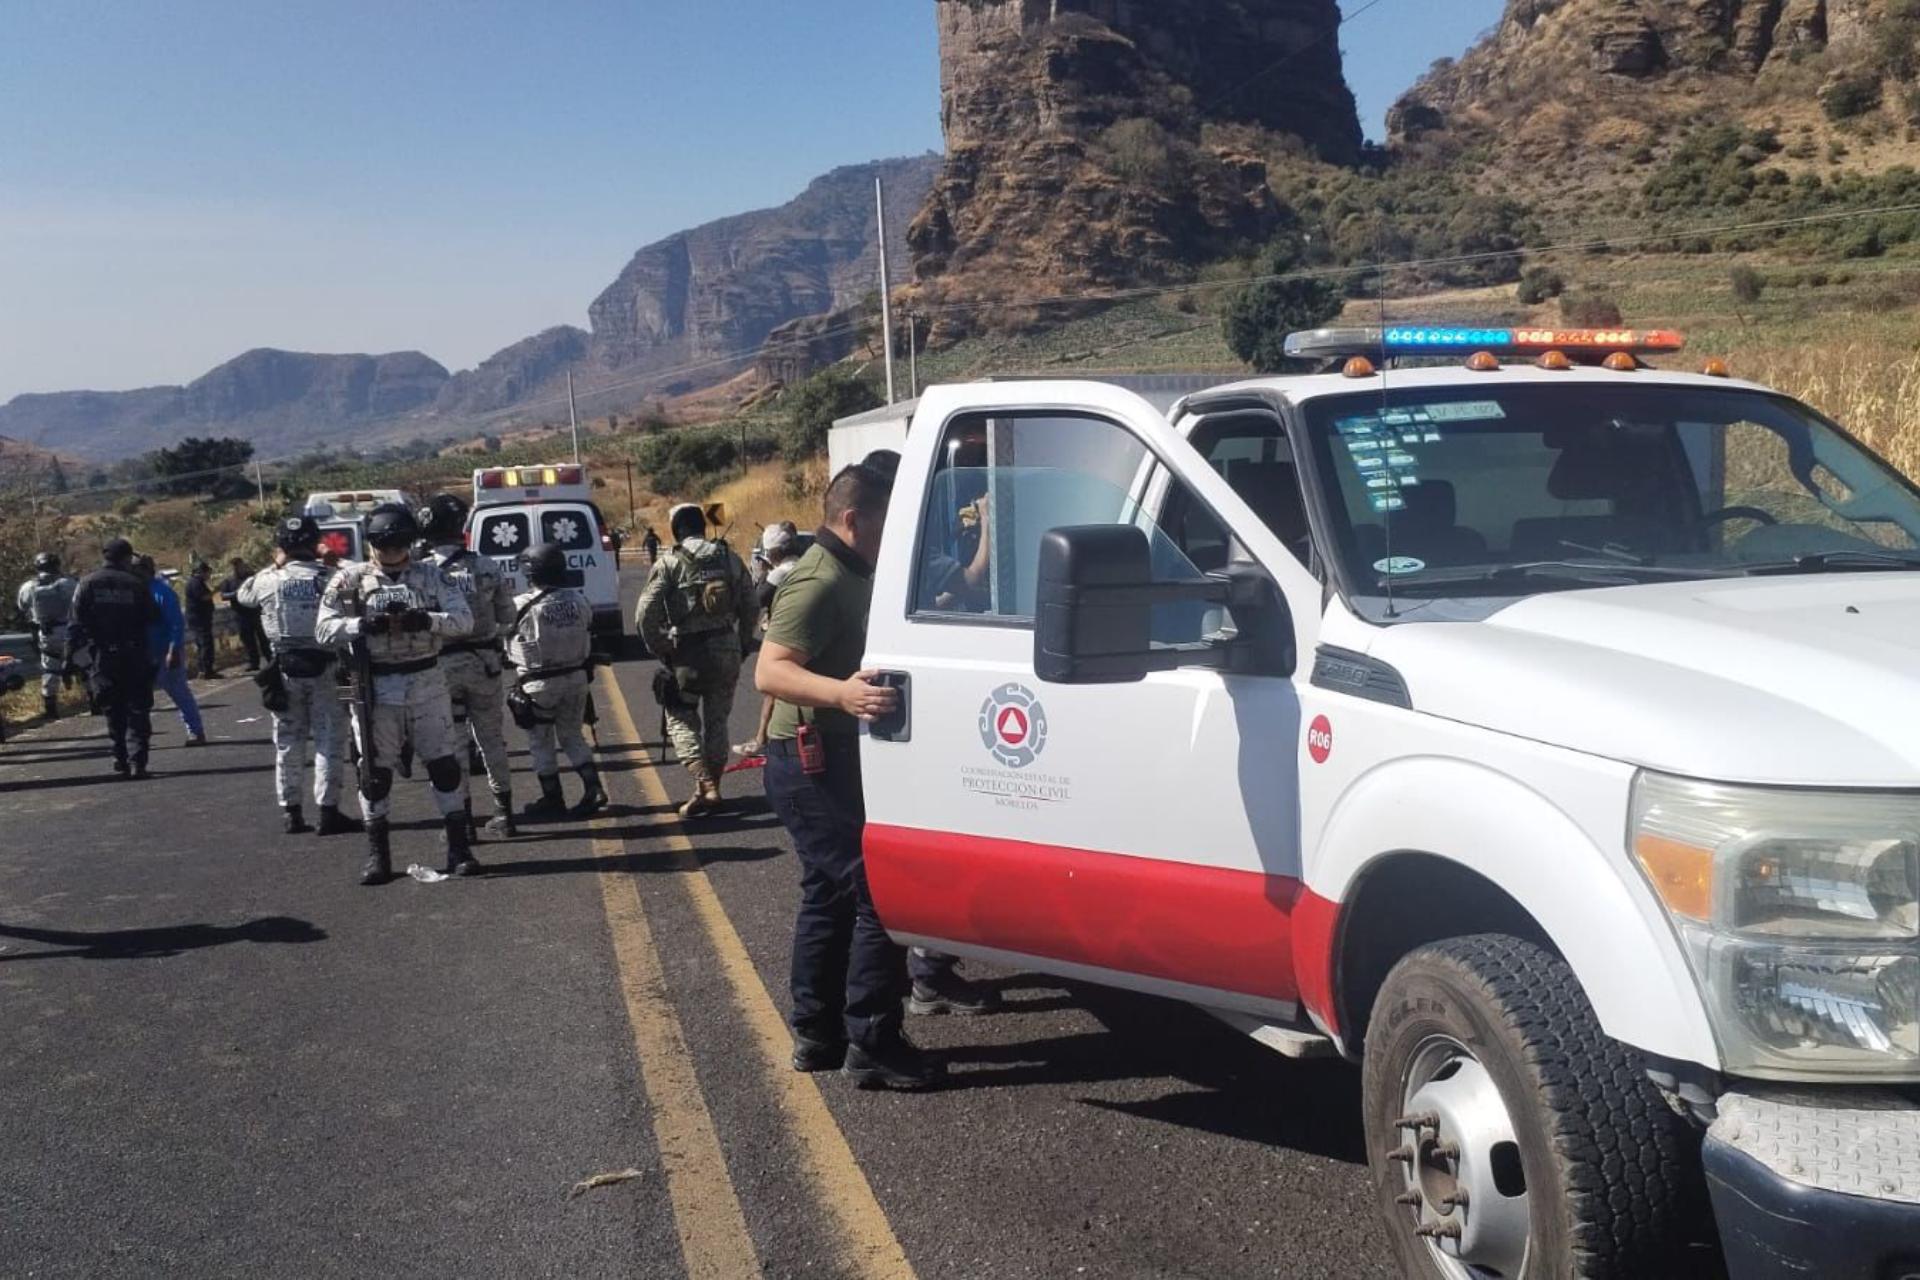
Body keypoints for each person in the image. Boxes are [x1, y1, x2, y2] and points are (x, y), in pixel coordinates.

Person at [753, 463, 940, 1090]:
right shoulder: (818, 580)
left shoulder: (855, 572)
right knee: (877, 895)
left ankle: (818, 1035)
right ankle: (873, 1042)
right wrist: (842, 695)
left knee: (827, 895)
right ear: (854, 520)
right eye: (888, 523)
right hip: (808, 763)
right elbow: (771, 672)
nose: (896, 536)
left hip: (825, 758)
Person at [315, 503, 477, 886]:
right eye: (384, 545)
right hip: (375, 686)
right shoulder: (348, 581)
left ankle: (459, 849)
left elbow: (464, 621)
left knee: (444, 765)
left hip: (426, 681)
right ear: (372, 543)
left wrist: (428, 620)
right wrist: (360, 625)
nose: (390, 552)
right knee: (373, 772)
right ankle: (378, 854)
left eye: (398, 545)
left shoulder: (432, 577)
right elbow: (323, 630)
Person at [634, 503, 757, 819]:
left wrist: (661, 648)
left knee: (680, 717)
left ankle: (704, 781)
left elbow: (645, 612)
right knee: (718, 721)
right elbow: (751, 603)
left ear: (675, 530)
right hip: (727, 649)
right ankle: (711, 789)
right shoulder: (728, 557)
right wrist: (742, 642)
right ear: (703, 526)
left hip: (689, 655)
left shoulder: (670, 562)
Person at [241, 517, 357, 836]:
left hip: (284, 668)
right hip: (326, 667)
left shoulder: (267, 580)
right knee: (328, 739)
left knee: (288, 742)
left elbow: (243, 595)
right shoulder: (331, 576)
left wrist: (274, 565)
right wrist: (333, 560)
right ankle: (328, 810)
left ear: (282, 546)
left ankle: (291, 811)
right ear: (314, 542)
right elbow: (357, 583)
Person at [419, 493, 518, 838]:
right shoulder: (486, 566)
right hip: (485, 663)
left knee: (453, 744)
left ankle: (464, 821)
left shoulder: (423, 572)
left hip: (440, 668)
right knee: (492, 739)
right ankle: (505, 813)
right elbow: (508, 615)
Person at [507, 543, 607, 819]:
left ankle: (552, 798)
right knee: (573, 736)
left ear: (530, 572)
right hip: (576, 679)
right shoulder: (578, 600)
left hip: (538, 684)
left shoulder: (520, 605)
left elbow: (501, 634)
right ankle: (594, 788)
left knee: (540, 741)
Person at [71, 538, 160, 779]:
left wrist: (75, 659)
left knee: (113, 709)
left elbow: (77, 622)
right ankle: (137, 762)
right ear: (126, 558)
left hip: (102, 656)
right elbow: (153, 616)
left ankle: (119, 756)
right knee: (137, 709)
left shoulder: (87, 583)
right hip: (134, 654)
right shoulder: (136, 583)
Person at [734, 522, 802, 759]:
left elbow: (756, 600)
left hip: (782, 636)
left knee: (772, 688)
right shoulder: (803, 566)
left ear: (772, 552)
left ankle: (762, 739)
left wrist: (759, 574)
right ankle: (764, 737)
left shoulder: (780, 573)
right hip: (802, 635)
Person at [134, 556, 207, 748]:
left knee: (179, 692)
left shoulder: (162, 592)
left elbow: (176, 623)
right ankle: (140, 738)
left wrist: (173, 649)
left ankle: (195, 730)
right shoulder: (135, 591)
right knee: (139, 700)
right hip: (143, 653)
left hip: (165, 650)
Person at [16, 551, 76, 721]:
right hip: (70, 631)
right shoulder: (68, 583)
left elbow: (22, 606)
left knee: (50, 669)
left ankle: (51, 709)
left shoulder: (29, 587)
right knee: (83, 663)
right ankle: (95, 703)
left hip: (47, 633)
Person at [219, 556, 265, 672]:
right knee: (248, 640)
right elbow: (223, 596)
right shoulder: (228, 581)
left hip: (255, 612)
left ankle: (270, 659)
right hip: (240, 614)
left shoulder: (250, 577)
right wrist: (236, 594)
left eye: (239, 566)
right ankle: (253, 662)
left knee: (263, 638)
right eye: (235, 567)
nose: (237, 569)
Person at [183, 562, 217, 678]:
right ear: (203, 572)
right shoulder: (196, 583)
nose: (209, 575)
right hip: (200, 618)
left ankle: (204, 669)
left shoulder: (194, 582)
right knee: (205, 644)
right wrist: (216, 591)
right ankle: (206, 670)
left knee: (201, 643)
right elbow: (204, 597)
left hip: (197, 618)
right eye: (208, 572)